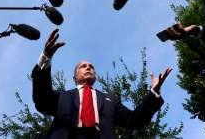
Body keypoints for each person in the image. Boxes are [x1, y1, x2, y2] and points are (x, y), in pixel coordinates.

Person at [32, 29, 172, 139]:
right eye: (83, 66)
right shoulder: (63, 97)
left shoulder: (110, 100)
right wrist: (45, 57)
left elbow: (134, 120)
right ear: (74, 78)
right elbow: (42, 101)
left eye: (91, 67)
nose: (88, 68)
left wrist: (153, 92)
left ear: (95, 76)